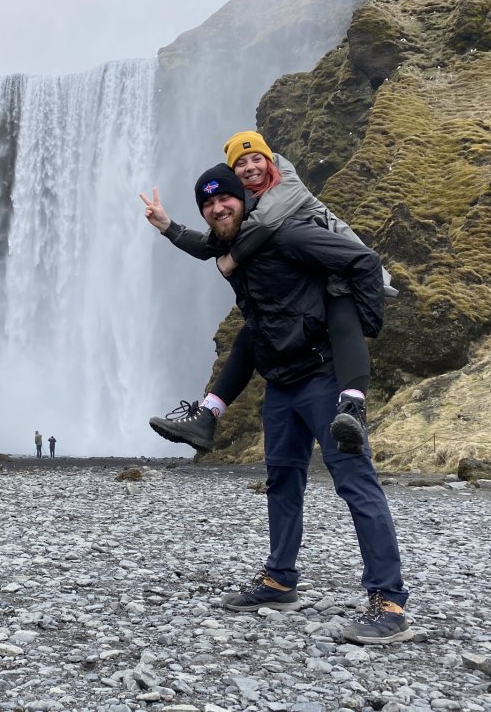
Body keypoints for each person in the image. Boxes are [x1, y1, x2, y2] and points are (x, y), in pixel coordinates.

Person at [142, 164, 410, 645]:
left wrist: (362, 325)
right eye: (207, 204)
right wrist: (165, 226)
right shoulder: (230, 249)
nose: (217, 208)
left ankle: (388, 600)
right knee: (282, 482)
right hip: (281, 386)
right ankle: (279, 579)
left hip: (324, 378)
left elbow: (363, 260)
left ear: (243, 199)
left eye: (224, 199)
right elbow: (236, 298)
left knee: (355, 482)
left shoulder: (288, 235)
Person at [215, 131, 396, 454]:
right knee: (250, 334)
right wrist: (169, 227)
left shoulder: (284, 185)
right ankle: (208, 414)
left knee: (345, 326)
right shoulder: (250, 201)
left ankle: (353, 408)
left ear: (269, 159)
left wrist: (231, 259)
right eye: (240, 163)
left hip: (347, 272)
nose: (250, 166)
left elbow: (266, 224)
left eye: (256, 158)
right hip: (319, 278)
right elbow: (217, 238)